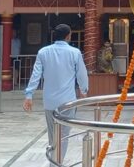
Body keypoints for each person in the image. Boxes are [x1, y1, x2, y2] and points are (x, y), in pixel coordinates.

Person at [23, 24, 88, 164]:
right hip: (68, 102)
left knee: (53, 136)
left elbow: (36, 75)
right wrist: (84, 90)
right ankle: (56, 163)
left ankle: (54, 162)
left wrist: (29, 95)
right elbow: (82, 75)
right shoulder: (75, 53)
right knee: (63, 136)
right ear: (68, 36)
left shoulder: (43, 52)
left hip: (50, 101)